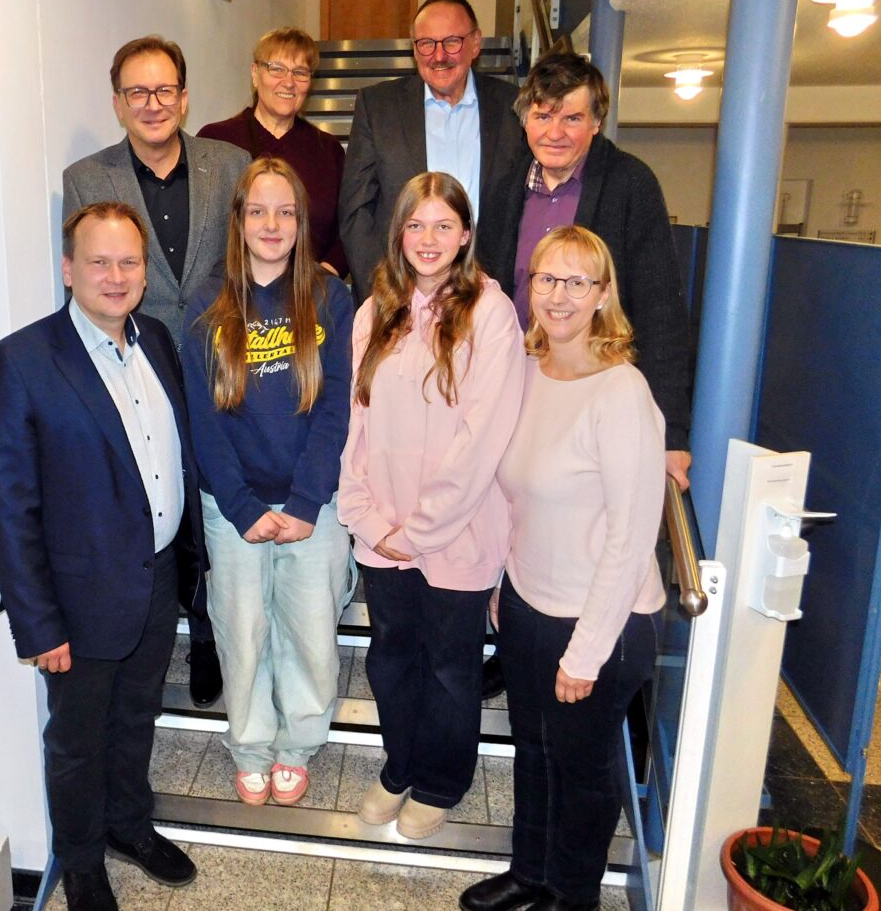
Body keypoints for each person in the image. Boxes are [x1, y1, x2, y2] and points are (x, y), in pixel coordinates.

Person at [0, 203, 206, 911]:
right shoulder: (19, 362)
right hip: (77, 600)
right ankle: (80, 862)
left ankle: (129, 825)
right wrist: (39, 626)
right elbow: (7, 508)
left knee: (138, 719)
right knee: (76, 740)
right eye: (99, 261)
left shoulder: (158, 340)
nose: (115, 275)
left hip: (158, 578)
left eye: (129, 262)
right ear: (68, 268)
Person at [460, 226, 665, 911]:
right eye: (548, 278)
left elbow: (632, 537)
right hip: (528, 603)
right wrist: (502, 581)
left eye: (579, 281)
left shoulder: (622, 391)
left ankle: (572, 894)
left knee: (580, 769)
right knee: (532, 748)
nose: (560, 294)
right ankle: (530, 870)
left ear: (604, 294)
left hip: (598, 620)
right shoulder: (528, 370)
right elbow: (512, 494)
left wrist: (586, 650)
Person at [478, 50, 690, 700]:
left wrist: (672, 433)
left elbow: (659, 307)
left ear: (596, 121)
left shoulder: (630, 184)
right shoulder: (510, 182)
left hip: (598, 384)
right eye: (545, 115)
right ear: (526, 120)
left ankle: (607, 668)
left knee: (609, 526)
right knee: (518, 503)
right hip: (526, 379)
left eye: (573, 116)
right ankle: (518, 638)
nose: (557, 130)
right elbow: (488, 284)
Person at [338, 172, 525, 839]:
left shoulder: (491, 314)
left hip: (457, 535)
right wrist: (363, 514)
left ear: (466, 234)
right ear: (397, 235)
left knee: (449, 668)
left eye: (443, 225)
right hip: (381, 533)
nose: (428, 238)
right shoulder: (373, 312)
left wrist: (416, 531)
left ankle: (442, 778)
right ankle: (401, 763)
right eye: (415, 225)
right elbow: (355, 425)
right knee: (391, 656)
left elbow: (483, 440)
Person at [63, 35, 249, 707]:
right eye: (137, 92)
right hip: (134, 370)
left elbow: (251, 261)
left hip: (216, 365)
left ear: (185, 96)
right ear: (117, 103)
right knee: (152, 505)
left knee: (208, 509)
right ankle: (166, 628)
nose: (152, 104)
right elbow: (85, 281)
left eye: (164, 89)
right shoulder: (87, 179)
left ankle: (206, 635)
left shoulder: (231, 164)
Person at [181, 157, 355, 807]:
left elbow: (337, 406)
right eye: (258, 210)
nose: (272, 223)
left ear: (302, 222)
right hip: (234, 506)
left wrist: (308, 499)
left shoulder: (332, 298)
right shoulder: (208, 303)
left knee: (311, 627)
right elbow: (202, 418)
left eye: (286, 211)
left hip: (316, 501)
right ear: (239, 220)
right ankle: (251, 742)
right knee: (242, 626)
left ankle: (299, 744)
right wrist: (242, 504)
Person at [339, 0, 527, 304]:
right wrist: (385, 290)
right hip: (402, 296)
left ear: (476, 43)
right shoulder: (378, 106)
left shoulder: (513, 106)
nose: (438, 56)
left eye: (452, 41)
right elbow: (355, 210)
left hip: (487, 295)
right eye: (426, 43)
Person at [197, 27, 347, 278]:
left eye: (300, 72)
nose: (288, 82)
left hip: (308, 297)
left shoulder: (329, 151)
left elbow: (348, 228)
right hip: (232, 295)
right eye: (276, 68)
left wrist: (324, 280)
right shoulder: (214, 141)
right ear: (255, 74)